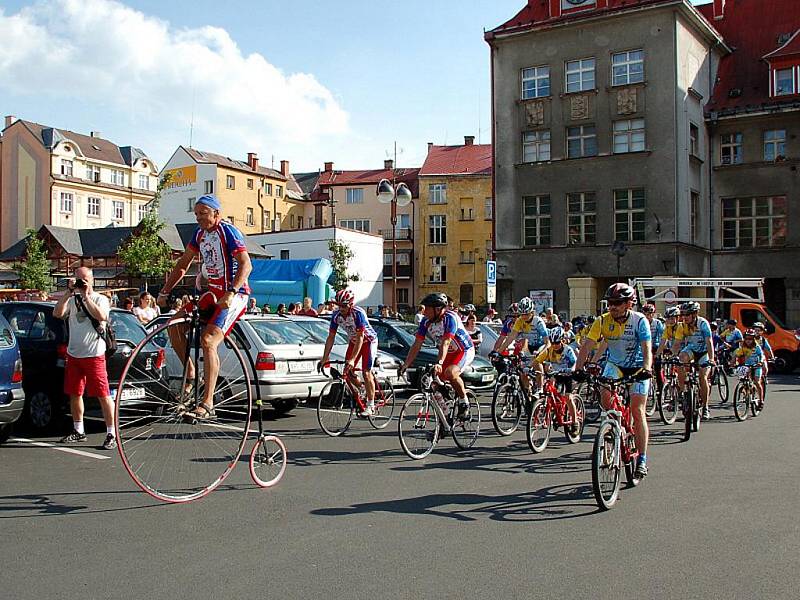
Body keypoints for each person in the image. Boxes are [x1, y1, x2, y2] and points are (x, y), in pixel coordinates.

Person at [156, 194, 252, 421]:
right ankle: (190, 373)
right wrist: (164, 291)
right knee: (174, 326)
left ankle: (208, 402)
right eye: (196, 214)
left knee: (208, 341)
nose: (199, 218)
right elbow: (182, 265)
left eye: (203, 214)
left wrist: (231, 292)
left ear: (216, 213)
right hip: (211, 291)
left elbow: (246, 264)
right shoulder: (199, 234)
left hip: (234, 294)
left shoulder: (228, 232)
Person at [576, 283, 652, 477]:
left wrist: (647, 368)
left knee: (637, 409)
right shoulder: (602, 321)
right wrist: (577, 370)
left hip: (637, 368)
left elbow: (646, 349)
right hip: (615, 365)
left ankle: (642, 458)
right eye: (610, 302)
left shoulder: (639, 320)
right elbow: (587, 346)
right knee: (606, 399)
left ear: (629, 303)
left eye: (617, 303)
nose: (612, 306)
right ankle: (613, 427)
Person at [54, 267, 116, 450]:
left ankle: (111, 433)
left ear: (92, 280)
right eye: (79, 279)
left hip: (94, 354)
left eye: (85, 279)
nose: (82, 282)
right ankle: (78, 429)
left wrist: (86, 295)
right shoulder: (72, 300)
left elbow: (102, 316)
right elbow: (57, 313)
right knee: (75, 393)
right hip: (74, 354)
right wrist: (68, 292)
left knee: (103, 394)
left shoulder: (100, 299)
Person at [401, 293, 474, 418]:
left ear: (438, 309)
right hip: (447, 354)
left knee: (450, 373)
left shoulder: (450, 318)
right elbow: (417, 344)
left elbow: (446, 342)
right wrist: (406, 364)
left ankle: (464, 401)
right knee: (432, 384)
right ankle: (445, 419)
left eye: (428, 309)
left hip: (463, 351)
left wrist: (439, 363)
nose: (424, 312)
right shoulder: (426, 322)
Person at [318, 289, 379, 416]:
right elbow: (331, 337)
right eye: (339, 305)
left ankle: (371, 404)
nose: (341, 308)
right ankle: (363, 388)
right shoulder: (336, 316)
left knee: (366, 372)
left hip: (368, 341)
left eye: (344, 306)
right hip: (353, 341)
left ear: (351, 304)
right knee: (347, 371)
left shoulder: (358, 314)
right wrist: (324, 358)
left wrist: (352, 359)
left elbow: (361, 337)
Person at [496, 297, 551, 396]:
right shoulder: (519, 321)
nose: (524, 316)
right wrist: (499, 352)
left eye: (526, 314)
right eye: (522, 314)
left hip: (541, 345)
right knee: (522, 370)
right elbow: (510, 338)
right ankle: (528, 392)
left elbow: (547, 343)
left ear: (532, 312)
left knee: (536, 361)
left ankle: (540, 389)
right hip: (529, 346)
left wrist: (540, 353)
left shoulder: (538, 322)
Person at [671, 301, 715, 420]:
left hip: (704, 352)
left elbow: (709, 342)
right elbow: (677, 343)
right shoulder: (682, 325)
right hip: (691, 350)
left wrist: (711, 359)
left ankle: (705, 407)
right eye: (683, 315)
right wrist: (673, 355)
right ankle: (681, 391)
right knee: (680, 359)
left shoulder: (703, 324)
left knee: (703, 377)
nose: (684, 317)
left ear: (694, 314)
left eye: (687, 315)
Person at [532, 326, 579, 430]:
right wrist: (530, 368)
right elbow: (537, 361)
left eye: (557, 343)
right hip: (556, 374)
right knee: (549, 388)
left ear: (562, 340)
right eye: (552, 343)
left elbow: (575, 363)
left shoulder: (568, 350)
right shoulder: (549, 350)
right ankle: (551, 410)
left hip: (568, 376)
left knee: (568, 397)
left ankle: (575, 422)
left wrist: (571, 370)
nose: (554, 345)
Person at [733, 329, 765, 406]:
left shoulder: (757, 347)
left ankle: (761, 401)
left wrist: (760, 362)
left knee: (757, 382)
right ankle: (745, 392)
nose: (748, 341)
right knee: (743, 379)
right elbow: (736, 354)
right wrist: (732, 363)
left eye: (750, 339)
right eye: (746, 339)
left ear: (753, 339)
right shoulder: (743, 347)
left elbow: (762, 356)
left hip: (756, 366)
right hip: (747, 366)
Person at [642, 303, 665, 393]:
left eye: (649, 314)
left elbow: (662, 337)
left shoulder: (657, 323)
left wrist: (659, 351)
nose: (647, 316)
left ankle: (660, 390)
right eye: (645, 314)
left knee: (657, 369)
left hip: (655, 346)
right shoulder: (641, 322)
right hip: (644, 347)